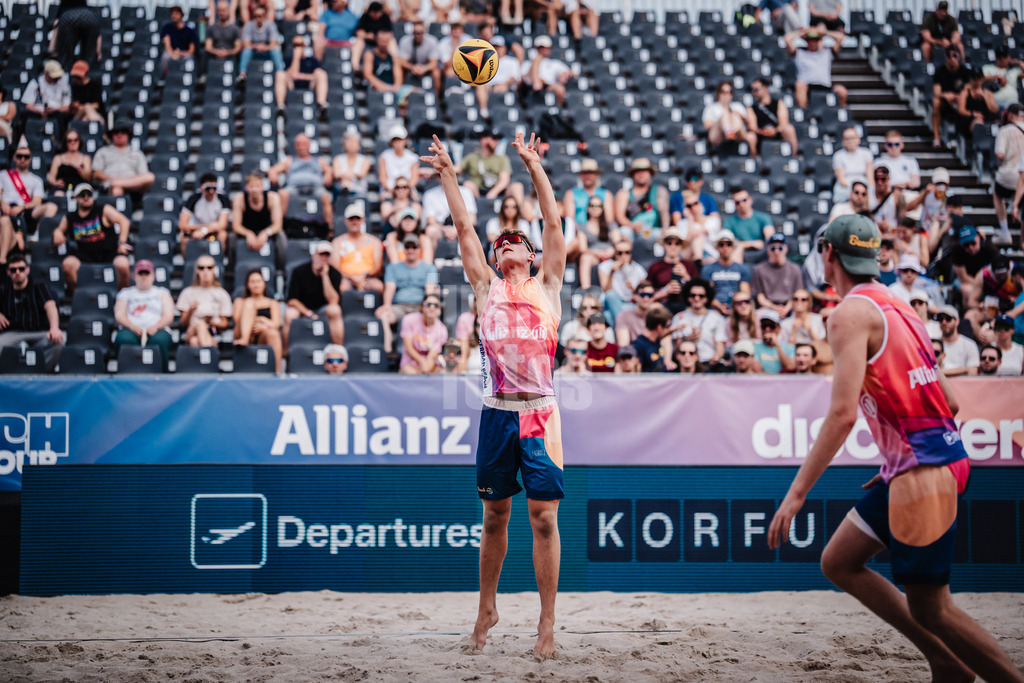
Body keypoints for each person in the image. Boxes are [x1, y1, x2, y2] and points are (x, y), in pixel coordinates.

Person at [768, 213, 1022, 683]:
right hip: (930, 458)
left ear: (828, 254)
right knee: (839, 561)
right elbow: (948, 399)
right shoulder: (901, 306)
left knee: (933, 608)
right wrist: (896, 454)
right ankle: (946, 661)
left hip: (922, 467)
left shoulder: (847, 314)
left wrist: (797, 493)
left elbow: (842, 415)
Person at [419, 131, 566, 660]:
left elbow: (551, 221)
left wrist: (531, 165)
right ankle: (488, 607)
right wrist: (448, 174)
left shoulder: (548, 284)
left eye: (514, 239)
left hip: (540, 416)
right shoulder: (485, 288)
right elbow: (462, 227)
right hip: (497, 414)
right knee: (495, 516)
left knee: (544, 518)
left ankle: (546, 623)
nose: (505, 242)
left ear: (528, 253)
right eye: (498, 240)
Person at [52, 184, 132, 293]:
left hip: (108, 253)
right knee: (68, 264)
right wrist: (57, 233)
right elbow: (59, 230)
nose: (86, 197)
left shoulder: (103, 209)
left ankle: (122, 297)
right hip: (85, 255)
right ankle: (80, 297)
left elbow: (124, 222)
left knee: (123, 264)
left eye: (89, 194)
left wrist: (122, 243)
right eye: (82, 194)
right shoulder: (70, 217)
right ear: (75, 198)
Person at [376, 232, 438, 353]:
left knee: (432, 314)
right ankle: (387, 350)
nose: (411, 250)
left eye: (414, 247)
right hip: (399, 306)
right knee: (383, 315)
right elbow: (390, 288)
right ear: (404, 249)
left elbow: (430, 290)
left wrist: (427, 307)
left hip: (419, 306)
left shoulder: (430, 268)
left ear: (419, 249)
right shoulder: (393, 267)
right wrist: (387, 306)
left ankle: (429, 349)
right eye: (408, 247)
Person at [0, 252, 63, 372]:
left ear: (27, 270)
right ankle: (6, 376)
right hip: (13, 333)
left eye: (21, 269)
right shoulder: (4, 290)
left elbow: (50, 305)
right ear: (8, 272)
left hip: (38, 333)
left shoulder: (39, 286)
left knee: (58, 341)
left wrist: (54, 327)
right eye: (13, 270)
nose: (17, 272)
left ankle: (42, 372)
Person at [1, 143, 58, 264]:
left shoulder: (36, 179)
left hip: (25, 209)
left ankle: (37, 238)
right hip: (5, 209)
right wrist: (2, 203)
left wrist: (22, 207)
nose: (22, 159)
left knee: (51, 207)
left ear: (30, 159)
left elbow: (37, 201)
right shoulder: (3, 175)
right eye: (19, 156)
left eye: (26, 156)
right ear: (14, 158)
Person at [113, 260, 175, 371]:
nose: (143, 276)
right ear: (134, 276)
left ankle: (162, 374)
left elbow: (168, 316)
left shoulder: (162, 292)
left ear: (153, 276)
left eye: (147, 273)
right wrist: (133, 327)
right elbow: (119, 315)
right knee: (124, 339)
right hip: (130, 328)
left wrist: (156, 326)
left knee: (159, 341)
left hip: (157, 329)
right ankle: (126, 373)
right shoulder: (125, 293)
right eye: (140, 273)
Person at [284, 240, 344, 347]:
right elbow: (292, 300)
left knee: (335, 310)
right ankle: (286, 355)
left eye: (327, 255)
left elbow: (334, 301)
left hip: (323, 310)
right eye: (321, 254)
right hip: (303, 309)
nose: (324, 257)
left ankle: (338, 350)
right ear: (313, 255)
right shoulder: (299, 271)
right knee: (290, 314)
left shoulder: (334, 274)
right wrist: (309, 313)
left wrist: (324, 276)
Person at [268, 133, 334, 228]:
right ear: (295, 146)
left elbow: (329, 170)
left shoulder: (318, 160)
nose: (301, 147)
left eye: (304, 144)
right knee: (282, 194)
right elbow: (274, 169)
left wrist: (328, 174)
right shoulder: (290, 160)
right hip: (294, 188)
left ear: (309, 145)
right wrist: (273, 173)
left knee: (326, 196)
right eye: (298, 144)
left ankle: (329, 228)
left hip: (315, 188)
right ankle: (281, 226)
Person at [231, 170, 286, 267]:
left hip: (267, 231)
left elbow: (278, 225)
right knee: (232, 237)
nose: (254, 189)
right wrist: (248, 233)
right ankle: (232, 268)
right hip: (247, 231)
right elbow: (236, 225)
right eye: (251, 186)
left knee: (281, 236)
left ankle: (281, 268)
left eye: (257, 186)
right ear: (246, 187)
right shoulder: (239, 199)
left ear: (262, 187)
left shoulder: (272, 198)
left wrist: (265, 233)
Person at [176, 255, 233, 348]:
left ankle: (206, 356)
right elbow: (182, 323)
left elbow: (225, 323)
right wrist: (191, 311)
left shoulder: (222, 294)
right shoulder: (187, 292)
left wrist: (215, 323)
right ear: (196, 270)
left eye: (209, 267)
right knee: (200, 325)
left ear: (214, 269)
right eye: (201, 268)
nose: (205, 271)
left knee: (194, 341)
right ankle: (211, 354)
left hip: (213, 331)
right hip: (191, 329)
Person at [233, 267, 283, 372]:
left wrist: (262, 325)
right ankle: (245, 339)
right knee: (249, 303)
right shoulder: (240, 301)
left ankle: (277, 371)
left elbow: (276, 324)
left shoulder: (272, 303)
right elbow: (237, 319)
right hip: (243, 333)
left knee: (274, 333)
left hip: (262, 335)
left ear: (264, 284)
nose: (256, 285)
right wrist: (259, 321)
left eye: (258, 281)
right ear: (247, 285)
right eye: (252, 282)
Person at [784, 27, 847, 109]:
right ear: (806, 41)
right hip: (807, 87)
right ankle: (803, 112)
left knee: (842, 90)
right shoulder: (799, 53)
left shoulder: (827, 53)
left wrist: (824, 32)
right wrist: (802, 33)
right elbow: (787, 39)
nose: (813, 42)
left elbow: (841, 37)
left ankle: (840, 116)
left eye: (815, 39)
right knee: (799, 85)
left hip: (825, 86)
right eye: (810, 40)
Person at [91, 119, 155, 198]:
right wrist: (112, 180)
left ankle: (116, 183)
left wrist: (117, 182)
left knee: (150, 177)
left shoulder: (137, 153)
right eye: (116, 132)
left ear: (128, 135)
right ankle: (116, 184)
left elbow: (143, 175)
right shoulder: (103, 152)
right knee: (117, 190)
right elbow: (96, 173)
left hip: (134, 187)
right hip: (110, 186)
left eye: (123, 132)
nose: (119, 135)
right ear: (112, 135)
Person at [458, 128, 523, 205]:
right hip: (478, 192)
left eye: (497, 139)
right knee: (467, 185)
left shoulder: (502, 158)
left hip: (498, 191)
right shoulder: (472, 157)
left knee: (517, 186)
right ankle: (471, 212)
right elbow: (457, 169)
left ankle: (518, 215)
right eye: (493, 138)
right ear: (483, 140)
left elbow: (504, 180)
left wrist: (493, 192)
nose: (496, 141)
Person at [670, 278, 727, 366]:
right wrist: (688, 340)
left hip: (709, 363)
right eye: (693, 295)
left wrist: (716, 358)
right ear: (688, 297)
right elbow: (677, 349)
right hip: (687, 364)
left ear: (707, 298)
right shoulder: (679, 318)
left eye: (701, 296)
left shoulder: (717, 319)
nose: (697, 298)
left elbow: (720, 347)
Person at [333, 202, 383, 292]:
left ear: (363, 220)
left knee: (378, 286)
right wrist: (352, 278)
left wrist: (364, 276)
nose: (354, 222)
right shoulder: (337, 242)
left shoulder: (374, 241)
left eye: (358, 218)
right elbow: (336, 267)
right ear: (346, 220)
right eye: (351, 218)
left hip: (368, 278)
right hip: (346, 279)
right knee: (342, 287)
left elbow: (377, 267)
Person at [615, 158, 669, 240]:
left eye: (644, 171)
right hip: (632, 230)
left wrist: (665, 228)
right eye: (637, 171)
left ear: (650, 174)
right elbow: (620, 217)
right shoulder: (624, 194)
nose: (641, 174)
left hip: (652, 231)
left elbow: (664, 212)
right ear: (633, 174)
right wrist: (632, 226)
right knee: (624, 231)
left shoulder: (659, 191)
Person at [993, 103, 1024, 245]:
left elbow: (1000, 154)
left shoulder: (1005, 130)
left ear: (1010, 115)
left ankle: (1005, 232)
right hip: (1021, 179)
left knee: (997, 193)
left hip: (1010, 175)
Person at [700, 230, 752, 315]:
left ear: (733, 246)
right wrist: (719, 306)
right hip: (714, 310)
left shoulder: (742, 269)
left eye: (729, 244)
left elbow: (745, 294)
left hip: (738, 309)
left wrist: (735, 308)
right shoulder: (708, 269)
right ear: (716, 247)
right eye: (721, 244)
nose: (725, 247)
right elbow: (707, 294)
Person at [647, 228, 697, 314]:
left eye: (677, 243)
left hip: (687, 306)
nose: (673, 247)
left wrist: (686, 276)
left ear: (681, 246)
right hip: (662, 307)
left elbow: (699, 290)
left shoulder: (689, 266)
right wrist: (665, 291)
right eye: (669, 243)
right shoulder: (655, 267)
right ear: (664, 245)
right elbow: (647, 294)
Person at [275, 35, 329, 116]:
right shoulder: (289, 60)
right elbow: (292, 75)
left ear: (305, 46)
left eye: (300, 45)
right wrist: (296, 58)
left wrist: (301, 76)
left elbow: (317, 74)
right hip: (292, 85)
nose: (298, 48)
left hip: (310, 85)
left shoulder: (312, 60)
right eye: (295, 45)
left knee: (322, 74)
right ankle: (281, 106)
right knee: (280, 74)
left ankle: (321, 104)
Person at [575, 193, 620, 290]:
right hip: (593, 256)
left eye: (598, 206)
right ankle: (586, 290)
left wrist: (611, 251)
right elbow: (583, 249)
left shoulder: (611, 225)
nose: (595, 208)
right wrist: (597, 253)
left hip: (611, 255)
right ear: (587, 208)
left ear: (602, 208)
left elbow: (618, 243)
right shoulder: (582, 228)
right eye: (592, 205)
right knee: (585, 258)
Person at [752, 234, 802, 318]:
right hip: (768, 307)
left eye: (780, 248)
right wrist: (775, 308)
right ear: (768, 250)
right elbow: (760, 298)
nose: (776, 251)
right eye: (773, 248)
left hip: (790, 307)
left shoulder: (795, 269)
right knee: (756, 316)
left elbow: (798, 294)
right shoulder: (759, 269)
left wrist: (786, 309)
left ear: (786, 249)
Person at [598, 238, 647, 325]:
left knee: (608, 316)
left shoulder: (639, 270)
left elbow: (644, 294)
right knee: (611, 295)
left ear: (631, 253)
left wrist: (633, 289)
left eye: (627, 252)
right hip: (610, 304)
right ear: (615, 253)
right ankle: (623, 327)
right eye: (620, 253)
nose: (623, 256)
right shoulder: (605, 267)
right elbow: (606, 291)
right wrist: (612, 272)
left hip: (629, 304)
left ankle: (621, 329)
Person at [180, 173, 231, 253]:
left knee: (222, 235)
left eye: (214, 188)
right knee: (184, 236)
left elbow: (222, 224)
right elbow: (182, 225)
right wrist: (202, 228)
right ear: (201, 188)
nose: (211, 191)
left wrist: (205, 230)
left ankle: (219, 261)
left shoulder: (223, 198)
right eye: (208, 188)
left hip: (213, 231)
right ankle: (187, 262)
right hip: (195, 229)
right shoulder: (193, 198)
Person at [745, 78, 798, 156]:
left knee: (789, 129)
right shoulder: (751, 108)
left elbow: (783, 123)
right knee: (751, 136)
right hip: (760, 135)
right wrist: (763, 131)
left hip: (777, 133)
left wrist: (775, 131)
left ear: (765, 88)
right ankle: (755, 161)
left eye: (756, 89)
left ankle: (794, 158)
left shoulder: (779, 103)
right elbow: (753, 127)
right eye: (752, 90)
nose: (754, 92)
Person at [930, 48, 970, 149]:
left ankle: (958, 138)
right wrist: (946, 95)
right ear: (945, 57)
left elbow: (968, 89)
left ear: (959, 57)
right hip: (945, 101)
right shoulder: (940, 71)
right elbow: (937, 92)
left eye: (954, 56)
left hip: (960, 100)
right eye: (949, 56)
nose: (952, 58)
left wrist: (958, 97)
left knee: (964, 102)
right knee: (936, 102)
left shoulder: (965, 71)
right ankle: (936, 138)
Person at [722, 187, 775, 263]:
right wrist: (750, 244)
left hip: (762, 252)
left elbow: (771, 238)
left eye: (744, 200)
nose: (742, 204)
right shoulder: (729, 222)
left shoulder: (763, 217)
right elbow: (727, 243)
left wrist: (743, 244)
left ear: (750, 200)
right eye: (737, 202)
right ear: (734, 204)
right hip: (740, 253)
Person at [398, 293, 447, 374]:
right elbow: (409, 348)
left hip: (431, 366)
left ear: (440, 309)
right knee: (409, 371)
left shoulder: (442, 330)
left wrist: (427, 367)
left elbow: (432, 355)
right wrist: (422, 362)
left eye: (436, 305)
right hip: (411, 364)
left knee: (444, 372)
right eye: (428, 304)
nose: (432, 308)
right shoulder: (409, 320)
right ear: (422, 306)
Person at [703, 81, 756, 152]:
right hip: (718, 135)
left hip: (738, 133)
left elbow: (748, 122)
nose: (726, 95)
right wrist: (723, 122)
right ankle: (729, 132)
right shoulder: (711, 107)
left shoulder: (737, 106)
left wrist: (739, 116)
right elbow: (707, 125)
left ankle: (754, 159)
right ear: (718, 93)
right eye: (723, 92)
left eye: (729, 92)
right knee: (725, 114)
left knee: (751, 136)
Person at [19, 61, 71, 131]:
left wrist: (54, 110)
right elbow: (28, 105)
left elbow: (67, 107)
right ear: (46, 73)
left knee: (61, 116)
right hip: (39, 110)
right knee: (25, 114)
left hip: (56, 111)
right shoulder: (36, 83)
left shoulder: (64, 85)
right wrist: (40, 112)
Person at [397, 20, 442, 99]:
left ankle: (437, 98)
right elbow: (402, 61)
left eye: (420, 33)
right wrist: (412, 67)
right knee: (399, 68)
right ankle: (401, 98)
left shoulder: (432, 41)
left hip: (426, 67)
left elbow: (433, 63)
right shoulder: (405, 41)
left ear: (425, 32)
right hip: (411, 67)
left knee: (436, 73)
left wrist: (423, 68)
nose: (418, 35)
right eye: (415, 33)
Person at [524, 35, 573, 107]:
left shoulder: (555, 63)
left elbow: (572, 73)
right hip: (531, 87)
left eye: (547, 48)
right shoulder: (528, 63)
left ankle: (560, 109)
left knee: (560, 89)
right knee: (536, 61)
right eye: (541, 47)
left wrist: (565, 73)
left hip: (548, 86)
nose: (544, 50)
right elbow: (524, 78)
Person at [239, 5, 286, 79]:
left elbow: (273, 44)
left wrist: (264, 47)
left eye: (261, 15)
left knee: (276, 50)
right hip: (254, 51)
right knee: (246, 51)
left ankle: (280, 73)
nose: (259, 18)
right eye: (256, 16)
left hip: (267, 51)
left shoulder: (271, 25)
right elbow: (246, 44)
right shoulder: (248, 25)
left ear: (265, 16)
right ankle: (242, 74)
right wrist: (257, 46)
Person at [832, 127, 873, 204]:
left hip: (864, 186)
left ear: (858, 139)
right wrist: (855, 192)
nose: (850, 141)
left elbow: (870, 178)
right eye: (847, 139)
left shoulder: (867, 153)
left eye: (852, 138)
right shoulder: (838, 156)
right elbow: (841, 180)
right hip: (845, 189)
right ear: (843, 141)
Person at [47, 129, 92, 198]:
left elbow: (88, 178)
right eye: (69, 141)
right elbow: (51, 177)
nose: (73, 142)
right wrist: (55, 183)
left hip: (80, 187)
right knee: (58, 195)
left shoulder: (85, 158)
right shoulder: (58, 158)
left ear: (79, 141)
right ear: (66, 143)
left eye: (75, 140)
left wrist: (77, 166)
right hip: (62, 188)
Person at [378, 125, 420, 198]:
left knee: (415, 198)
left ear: (405, 140)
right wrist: (393, 191)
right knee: (384, 198)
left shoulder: (413, 158)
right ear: (391, 142)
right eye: (395, 140)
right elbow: (383, 179)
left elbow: (414, 180)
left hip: (408, 191)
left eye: (400, 140)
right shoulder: (384, 156)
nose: (397, 143)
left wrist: (404, 191)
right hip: (389, 190)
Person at [936, 304, 978, 376]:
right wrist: (963, 370)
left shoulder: (970, 345)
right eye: (940, 319)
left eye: (948, 318)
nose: (944, 322)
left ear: (957, 321)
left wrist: (941, 372)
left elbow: (972, 373)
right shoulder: (934, 345)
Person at [956, 68, 999, 140]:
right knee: (978, 123)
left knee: (997, 123)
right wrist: (973, 114)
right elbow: (961, 110)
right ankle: (980, 145)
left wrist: (985, 98)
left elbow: (994, 110)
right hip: (970, 119)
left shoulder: (988, 93)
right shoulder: (965, 93)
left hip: (987, 117)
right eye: (974, 78)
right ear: (971, 79)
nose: (977, 81)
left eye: (979, 78)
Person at [351, 1, 393, 71]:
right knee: (358, 42)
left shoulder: (385, 17)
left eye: (377, 12)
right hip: (367, 43)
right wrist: (366, 35)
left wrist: (380, 37)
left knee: (392, 42)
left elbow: (390, 33)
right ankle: (355, 67)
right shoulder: (365, 16)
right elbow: (359, 32)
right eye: (374, 12)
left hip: (382, 42)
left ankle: (393, 64)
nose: (376, 15)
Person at [333, 128, 372, 202]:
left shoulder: (365, 160)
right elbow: (336, 174)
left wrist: (347, 175)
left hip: (359, 190)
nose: (351, 144)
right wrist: (352, 175)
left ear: (359, 145)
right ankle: (346, 188)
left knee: (347, 183)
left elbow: (362, 174)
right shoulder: (337, 159)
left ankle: (347, 187)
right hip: (340, 191)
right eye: (349, 141)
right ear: (344, 144)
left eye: (354, 142)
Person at [159, 5, 198, 76]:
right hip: (172, 52)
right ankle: (161, 78)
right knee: (165, 57)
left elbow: (192, 50)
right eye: (172, 14)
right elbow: (167, 44)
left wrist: (182, 54)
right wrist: (173, 54)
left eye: (176, 14)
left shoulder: (190, 30)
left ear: (182, 15)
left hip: (184, 53)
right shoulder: (167, 27)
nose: (174, 16)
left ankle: (189, 78)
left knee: (190, 58)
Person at [751, 309, 795, 373]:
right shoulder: (755, 348)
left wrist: (777, 345)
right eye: (764, 325)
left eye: (771, 326)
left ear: (779, 329)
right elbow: (758, 371)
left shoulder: (789, 348)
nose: (767, 329)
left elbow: (790, 367)